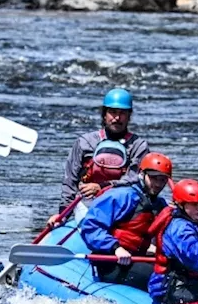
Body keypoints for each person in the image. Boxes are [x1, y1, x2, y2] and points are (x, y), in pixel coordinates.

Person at [78, 153, 173, 286]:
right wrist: (115, 248)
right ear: (141, 174)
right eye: (153, 178)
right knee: (165, 279)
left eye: (163, 179)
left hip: (137, 257)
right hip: (111, 261)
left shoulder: (160, 204)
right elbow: (90, 228)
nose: (158, 184)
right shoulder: (121, 196)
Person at [57, 87, 151, 216]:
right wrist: (62, 214)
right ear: (104, 115)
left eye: (122, 113)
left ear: (129, 116)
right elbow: (70, 181)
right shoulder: (85, 142)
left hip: (124, 205)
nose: (117, 118)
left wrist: (102, 187)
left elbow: (135, 179)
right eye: (112, 112)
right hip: (88, 205)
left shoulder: (139, 146)